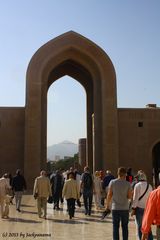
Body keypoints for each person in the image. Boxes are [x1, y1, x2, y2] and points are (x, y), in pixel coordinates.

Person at [106, 167, 132, 240]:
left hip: (115, 208)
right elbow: (130, 196)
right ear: (125, 174)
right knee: (125, 227)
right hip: (125, 208)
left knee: (115, 227)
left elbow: (109, 195)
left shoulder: (112, 182)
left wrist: (107, 206)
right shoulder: (128, 184)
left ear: (118, 173)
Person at [131, 171, 153, 240]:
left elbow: (135, 198)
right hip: (147, 208)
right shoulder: (150, 186)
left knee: (140, 226)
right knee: (148, 226)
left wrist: (133, 209)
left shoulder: (137, 185)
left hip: (139, 209)